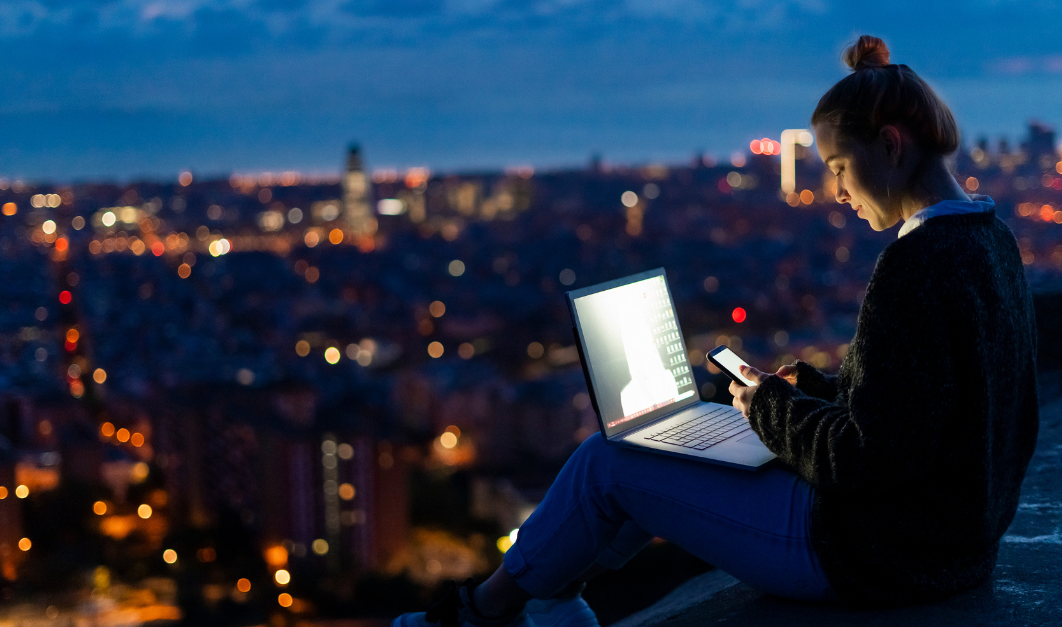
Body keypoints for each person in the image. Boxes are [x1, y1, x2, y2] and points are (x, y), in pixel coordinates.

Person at [393, 34, 1038, 627]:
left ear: (891, 146)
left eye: (839, 167)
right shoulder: (991, 241)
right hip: (948, 547)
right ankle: (551, 602)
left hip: (874, 555)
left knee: (608, 462)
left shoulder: (915, 263)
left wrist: (768, 406)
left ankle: (481, 613)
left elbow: (865, 460)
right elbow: (935, 409)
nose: (837, 192)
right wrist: (809, 388)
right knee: (657, 453)